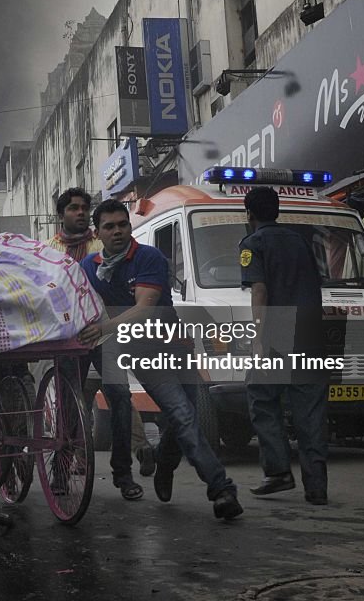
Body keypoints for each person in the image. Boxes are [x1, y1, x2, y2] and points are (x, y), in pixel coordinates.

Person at [79, 199, 242, 520]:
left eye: (122, 225)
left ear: (130, 226)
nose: (117, 232)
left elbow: (145, 308)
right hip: (141, 353)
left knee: (185, 418)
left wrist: (103, 328)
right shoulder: (87, 268)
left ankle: (162, 461)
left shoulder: (149, 257)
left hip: (175, 347)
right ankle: (221, 490)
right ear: (97, 232)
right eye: (109, 227)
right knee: (182, 415)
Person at [48, 187, 156, 479]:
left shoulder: (104, 243)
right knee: (70, 401)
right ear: (61, 215)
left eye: (84, 207)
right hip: (68, 337)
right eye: (73, 208)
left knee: (119, 394)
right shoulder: (48, 251)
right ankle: (61, 468)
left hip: (105, 333)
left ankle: (126, 468)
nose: (80, 212)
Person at [240, 186, 329, 506]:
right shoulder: (301, 241)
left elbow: (259, 292)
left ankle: (278, 473)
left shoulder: (252, 243)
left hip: (277, 333)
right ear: (276, 210)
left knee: (261, 397)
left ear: (248, 213)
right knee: (311, 410)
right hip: (310, 332)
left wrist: (259, 338)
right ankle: (316, 486)